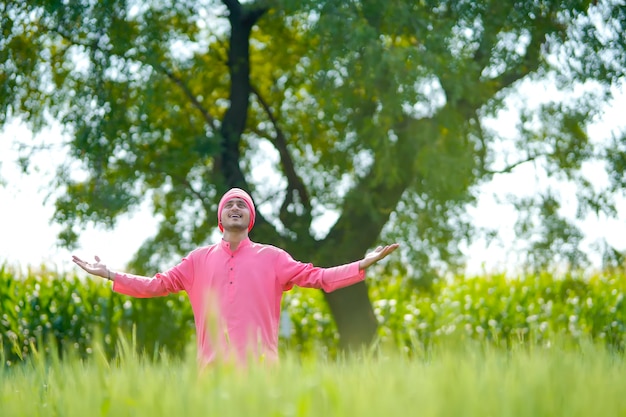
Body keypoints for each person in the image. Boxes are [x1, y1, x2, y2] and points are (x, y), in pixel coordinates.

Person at [72, 188, 399, 365]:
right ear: (221, 218)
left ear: (250, 218)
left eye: (242, 204)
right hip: (211, 373)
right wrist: (111, 273)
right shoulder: (198, 260)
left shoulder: (272, 258)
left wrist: (361, 264)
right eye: (229, 204)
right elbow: (156, 285)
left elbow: (320, 278)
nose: (236, 207)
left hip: (261, 372)